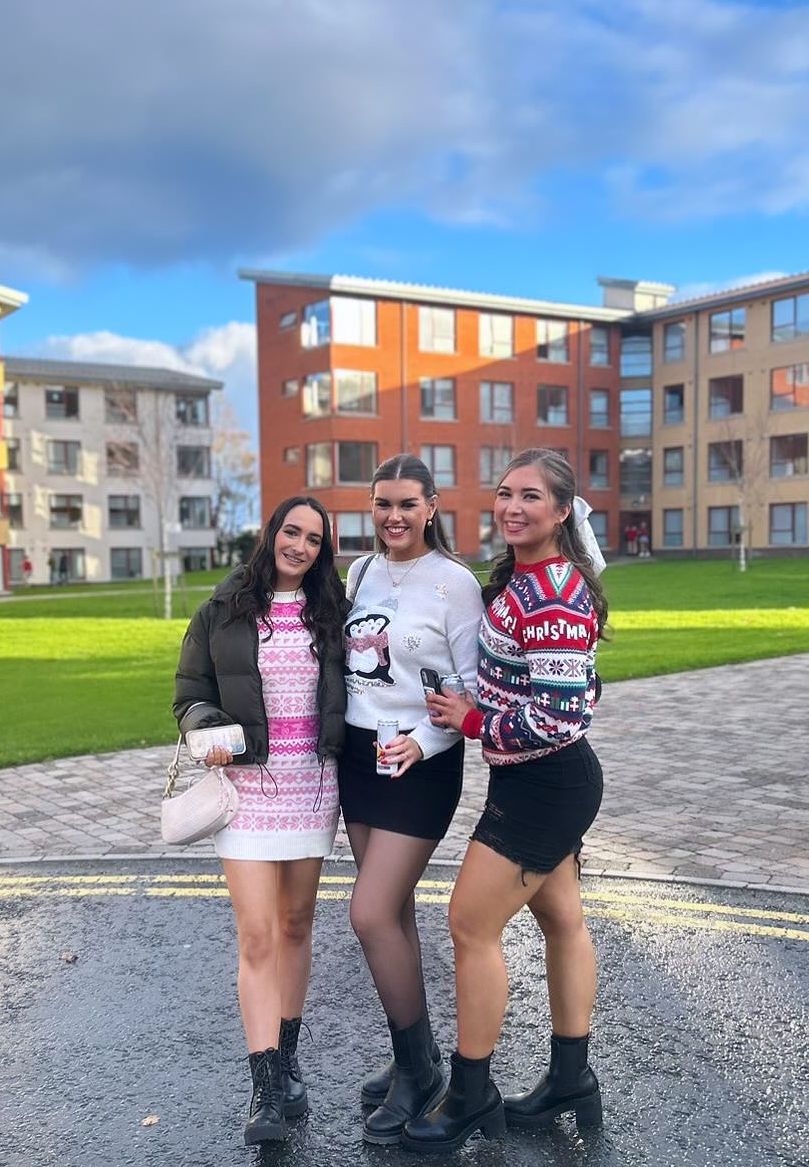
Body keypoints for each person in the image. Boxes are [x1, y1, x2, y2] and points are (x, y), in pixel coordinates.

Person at [406, 447, 607, 1154]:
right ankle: (571, 1078)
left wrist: (468, 720)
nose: (512, 507)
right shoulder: (527, 581)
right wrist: (479, 701)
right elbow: (566, 689)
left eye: (530, 496)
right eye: (503, 493)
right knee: (561, 919)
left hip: (547, 783)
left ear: (560, 512)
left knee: (468, 925)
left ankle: (468, 1096)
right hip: (537, 779)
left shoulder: (552, 591)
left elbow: (558, 719)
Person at [172, 496, 349, 1145]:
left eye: (312, 539)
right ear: (271, 533)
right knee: (256, 935)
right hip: (245, 793)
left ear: (323, 550)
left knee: (296, 924)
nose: (299, 546)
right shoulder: (222, 611)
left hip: (311, 789)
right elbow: (190, 696)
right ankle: (266, 1088)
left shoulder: (333, 614)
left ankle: (289, 1054)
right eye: (291, 532)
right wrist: (208, 729)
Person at [339, 453, 483, 1145]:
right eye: (381, 505)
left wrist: (423, 742)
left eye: (406, 505)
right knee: (390, 913)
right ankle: (415, 1060)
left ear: (432, 506)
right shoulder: (360, 572)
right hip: (360, 759)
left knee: (367, 913)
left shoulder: (456, 584)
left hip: (417, 765)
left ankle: (418, 1071)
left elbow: (471, 689)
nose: (393, 518)